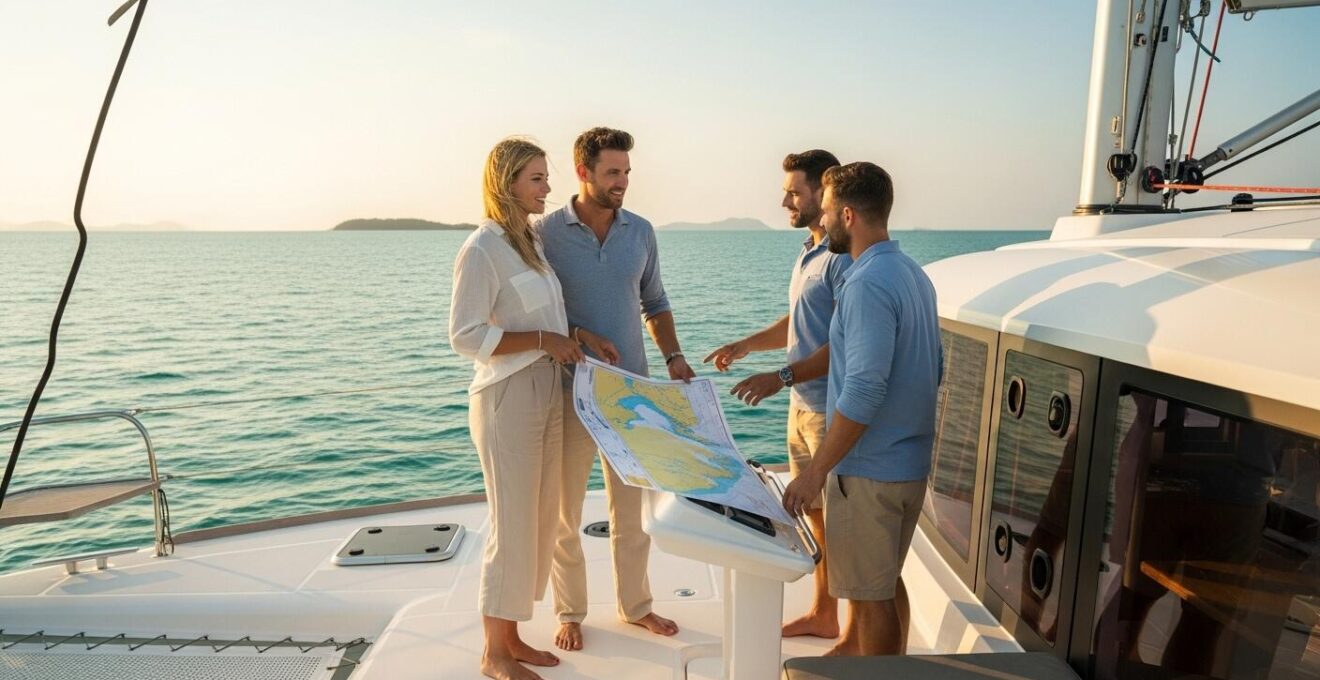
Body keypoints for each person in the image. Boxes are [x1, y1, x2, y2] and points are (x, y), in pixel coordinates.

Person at [449, 137, 618, 680]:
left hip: (546, 390)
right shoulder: (482, 248)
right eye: (536, 179)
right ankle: (493, 654)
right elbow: (465, 335)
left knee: (540, 520)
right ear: (508, 184)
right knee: (512, 523)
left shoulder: (528, 243)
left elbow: (544, 318)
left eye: (547, 177)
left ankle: (512, 638)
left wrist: (577, 335)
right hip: (508, 397)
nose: (547, 188)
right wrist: (546, 341)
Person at [537, 127, 692, 652]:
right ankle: (570, 611)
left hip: (631, 395)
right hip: (568, 392)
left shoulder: (640, 231)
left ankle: (636, 605)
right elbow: (535, 312)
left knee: (631, 513)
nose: (622, 181)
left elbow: (656, 301)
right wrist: (578, 335)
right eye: (612, 172)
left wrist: (674, 357)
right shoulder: (544, 234)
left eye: (626, 172)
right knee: (565, 513)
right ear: (583, 172)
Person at [781, 162, 942, 657]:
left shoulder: (866, 283)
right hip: (907, 464)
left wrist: (816, 473)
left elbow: (864, 391)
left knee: (872, 602)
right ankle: (866, 656)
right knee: (884, 586)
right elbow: (933, 367)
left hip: (869, 472)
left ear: (847, 215)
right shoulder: (913, 275)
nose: (823, 220)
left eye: (828, 211)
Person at [704, 149, 849, 638]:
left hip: (829, 410)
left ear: (823, 192)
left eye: (794, 192)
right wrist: (746, 345)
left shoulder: (840, 257)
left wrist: (780, 376)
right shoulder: (809, 251)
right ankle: (824, 613)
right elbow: (801, 321)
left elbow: (844, 340)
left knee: (836, 523)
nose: (785, 201)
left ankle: (847, 626)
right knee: (814, 515)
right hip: (801, 407)